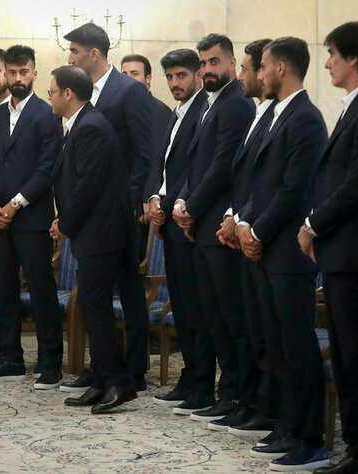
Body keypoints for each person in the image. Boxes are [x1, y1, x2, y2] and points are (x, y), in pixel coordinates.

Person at [304, 22, 358, 474]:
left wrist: (311, 225)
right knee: (345, 357)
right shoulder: (357, 106)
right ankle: (357, 448)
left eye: (333, 54)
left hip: (356, 253)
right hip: (341, 252)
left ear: (354, 57)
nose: (327, 64)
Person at [237, 37, 330, 471]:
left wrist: (256, 229)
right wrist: (246, 224)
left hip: (289, 253)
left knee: (297, 348)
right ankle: (288, 426)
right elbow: (260, 185)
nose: (259, 74)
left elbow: (296, 189)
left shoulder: (306, 117)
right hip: (266, 248)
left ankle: (312, 438)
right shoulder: (277, 114)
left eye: (263, 67)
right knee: (275, 345)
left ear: (280, 68)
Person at [171, 34, 256, 421]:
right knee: (213, 317)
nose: (206, 69)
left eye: (214, 62)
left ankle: (237, 395)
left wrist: (192, 207)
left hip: (221, 227)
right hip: (202, 226)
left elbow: (223, 167)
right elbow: (195, 166)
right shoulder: (211, 103)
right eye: (203, 63)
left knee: (230, 317)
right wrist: (183, 204)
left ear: (232, 63)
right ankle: (227, 392)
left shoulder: (235, 103)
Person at [63, 22, 151, 395]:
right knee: (97, 295)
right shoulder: (83, 94)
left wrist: (132, 201)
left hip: (122, 211)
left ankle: (135, 370)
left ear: (94, 53)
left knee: (129, 292)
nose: (70, 58)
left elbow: (144, 151)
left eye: (74, 51)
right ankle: (102, 368)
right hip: (93, 214)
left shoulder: (128, 90)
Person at [0, 45, 63, 390]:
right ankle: (9, 357)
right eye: (11, 72)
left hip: (31, 218)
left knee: (41, 290)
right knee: (4, 290)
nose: (17, 78)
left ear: (35, 73)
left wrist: (14, 205)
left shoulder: (47, 114)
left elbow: (46, 170)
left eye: (24, 72)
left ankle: (50, 361)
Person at [49, 65, 136, 413]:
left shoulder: (91, 127)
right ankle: (101, 380)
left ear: (68, 94)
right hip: (95, 230)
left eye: (52, 92)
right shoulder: (83, 124)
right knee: (92, 304)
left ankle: (116, 382)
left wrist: (65, 223)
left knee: (93, 303)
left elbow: (88, 186)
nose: (50, 98)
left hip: (103, 231)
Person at [214, 38, 279, 438]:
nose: (240, 76)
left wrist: (245, 224)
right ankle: (255, 403)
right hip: (244, 230)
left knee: (267, 336)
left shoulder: (287, 117)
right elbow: (242, 180)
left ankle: (270, 410)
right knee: (254, 331)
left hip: (267, 240)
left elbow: (279, 186)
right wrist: (232, 216)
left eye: (246, 68)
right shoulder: (259, 113)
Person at [144, 49, 207, 408]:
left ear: (197, 74)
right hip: (168, 218)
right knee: (181, 307)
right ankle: (190, 377)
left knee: (195, 310)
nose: (174, 83)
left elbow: (193, 172)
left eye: (181, 75)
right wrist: (154, 197)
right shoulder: (176, 113)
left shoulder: (204, 110)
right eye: (169, 77)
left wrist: (166, 205)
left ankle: (200, 383)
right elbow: (162, 165)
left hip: (187, 221)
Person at [121, 53, 174, 257]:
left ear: (148, 78)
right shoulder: (116, 108)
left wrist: (145, 198)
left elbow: (156, 159)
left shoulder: (160, 112)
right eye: (124, 74)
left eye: (134, 74)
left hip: (143, 205)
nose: (128, 79)